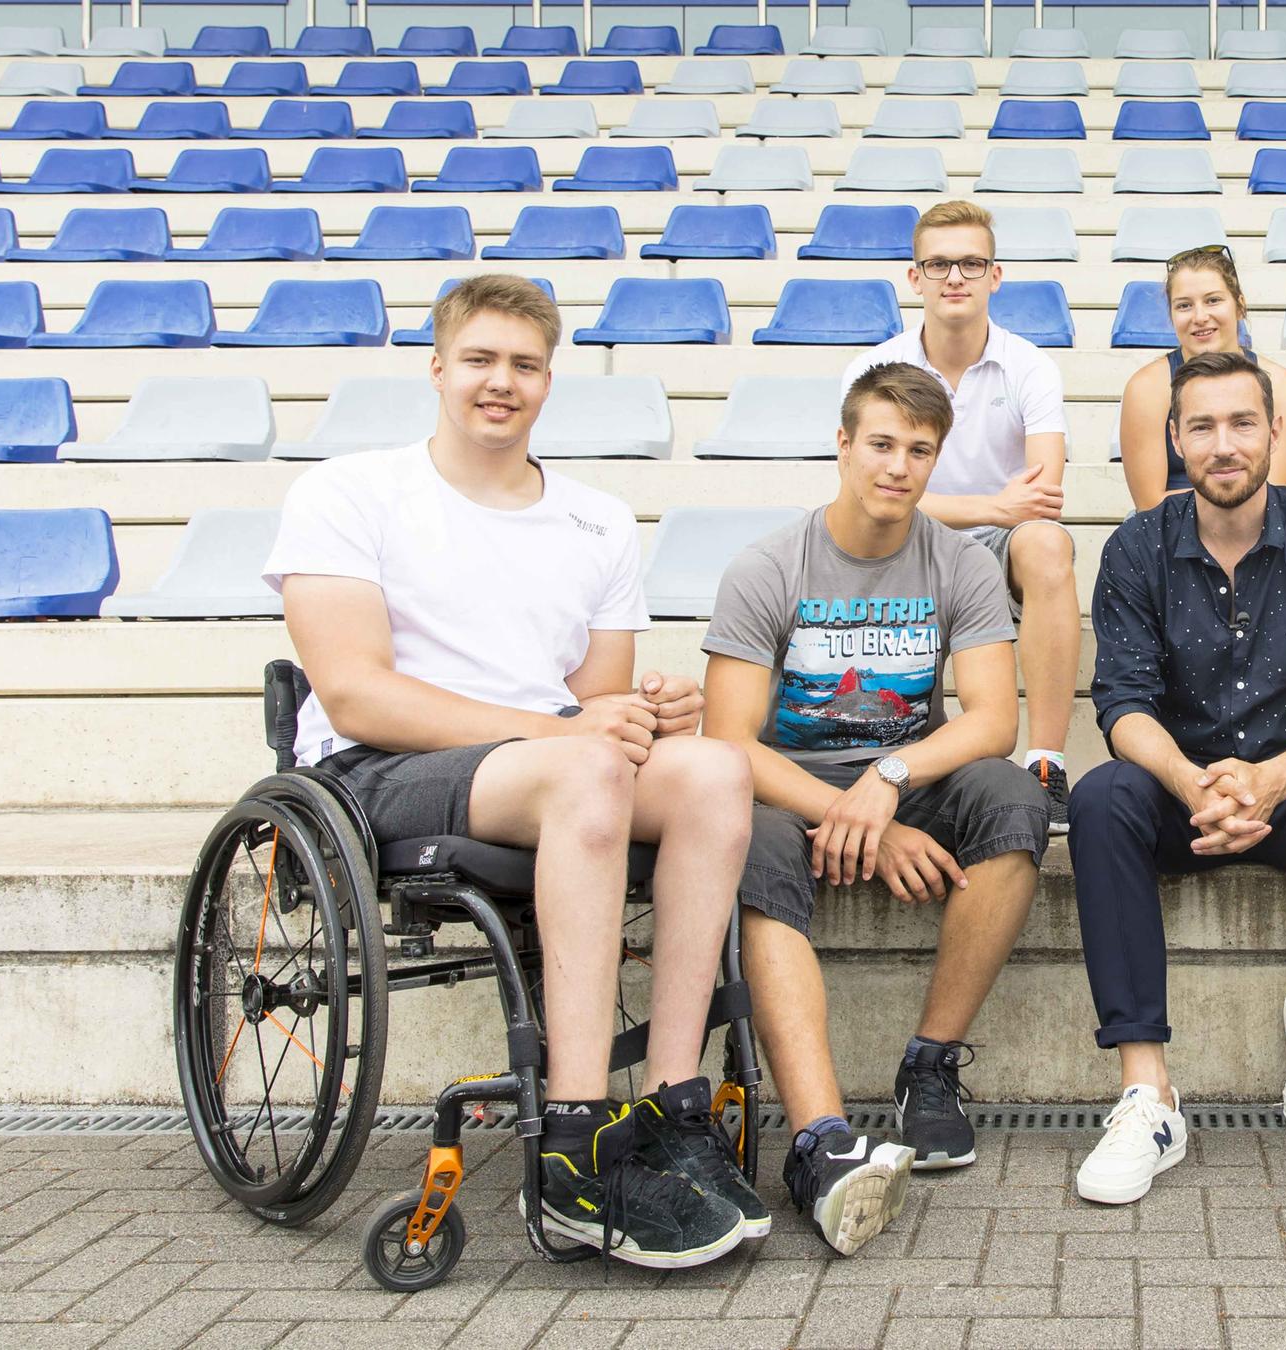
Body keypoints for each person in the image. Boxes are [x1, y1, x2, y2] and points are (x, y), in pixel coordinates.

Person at [262, 275, 763, 1269]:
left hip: (539, 762)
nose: (503, 382)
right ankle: (571, 1148)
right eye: (482, 360)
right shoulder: (349, 493)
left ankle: (673, 1106)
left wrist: (639, 717)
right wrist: (561, 731)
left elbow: (596, 709)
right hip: (382, 770)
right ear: (439, 367)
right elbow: (357, 695)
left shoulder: (597, 521)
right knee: (583, 773)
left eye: (525, 365)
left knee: (709, 771)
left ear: (548, 379)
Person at [703, 362, 1048, 1254]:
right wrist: (851, 814)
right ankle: (819, 1140)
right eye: (883, 445)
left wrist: (888, 785)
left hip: (903, 780)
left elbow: (995, 722)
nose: (899, 466)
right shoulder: (767, 567)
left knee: (1014, 799)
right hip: (790, 786)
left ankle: (928, 1070)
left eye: (920, 451)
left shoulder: (958, 564)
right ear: (846, 445)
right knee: (747, 846)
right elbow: (730, 741)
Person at [1070, 350, 1286, 1206]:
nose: (1224, 445)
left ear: (1275, 431)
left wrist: (1274, 779)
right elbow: (1121, 704)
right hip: (1178, 795)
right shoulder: (1136, 548)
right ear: (1176, 439)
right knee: (1099, 798)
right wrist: (1193, 784)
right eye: (1203, 426)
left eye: (1241, 423)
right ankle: (1148, 1092)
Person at [839, 200, 1078, 833]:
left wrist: (995, 515)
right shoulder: (872, 369)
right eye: (939, 263)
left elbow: (1043, 494)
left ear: (995, 276)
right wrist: (993, 505)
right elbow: (863, 489)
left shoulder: (1030, 365)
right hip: (903, 536)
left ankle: (1048, 764)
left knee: (1047, 544)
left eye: (971, 263)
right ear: (914, 278)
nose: (955, 278)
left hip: (1000, 544)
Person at [1117, 245, 1286, 512]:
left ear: (1240, 306)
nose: (1199, 317)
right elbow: (1149, 504)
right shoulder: (1146, 388)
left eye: (1213, 300)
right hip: (1167, 530)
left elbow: (1266, 497)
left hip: (1254, 528)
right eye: (1184, 305)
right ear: (1171, 315)